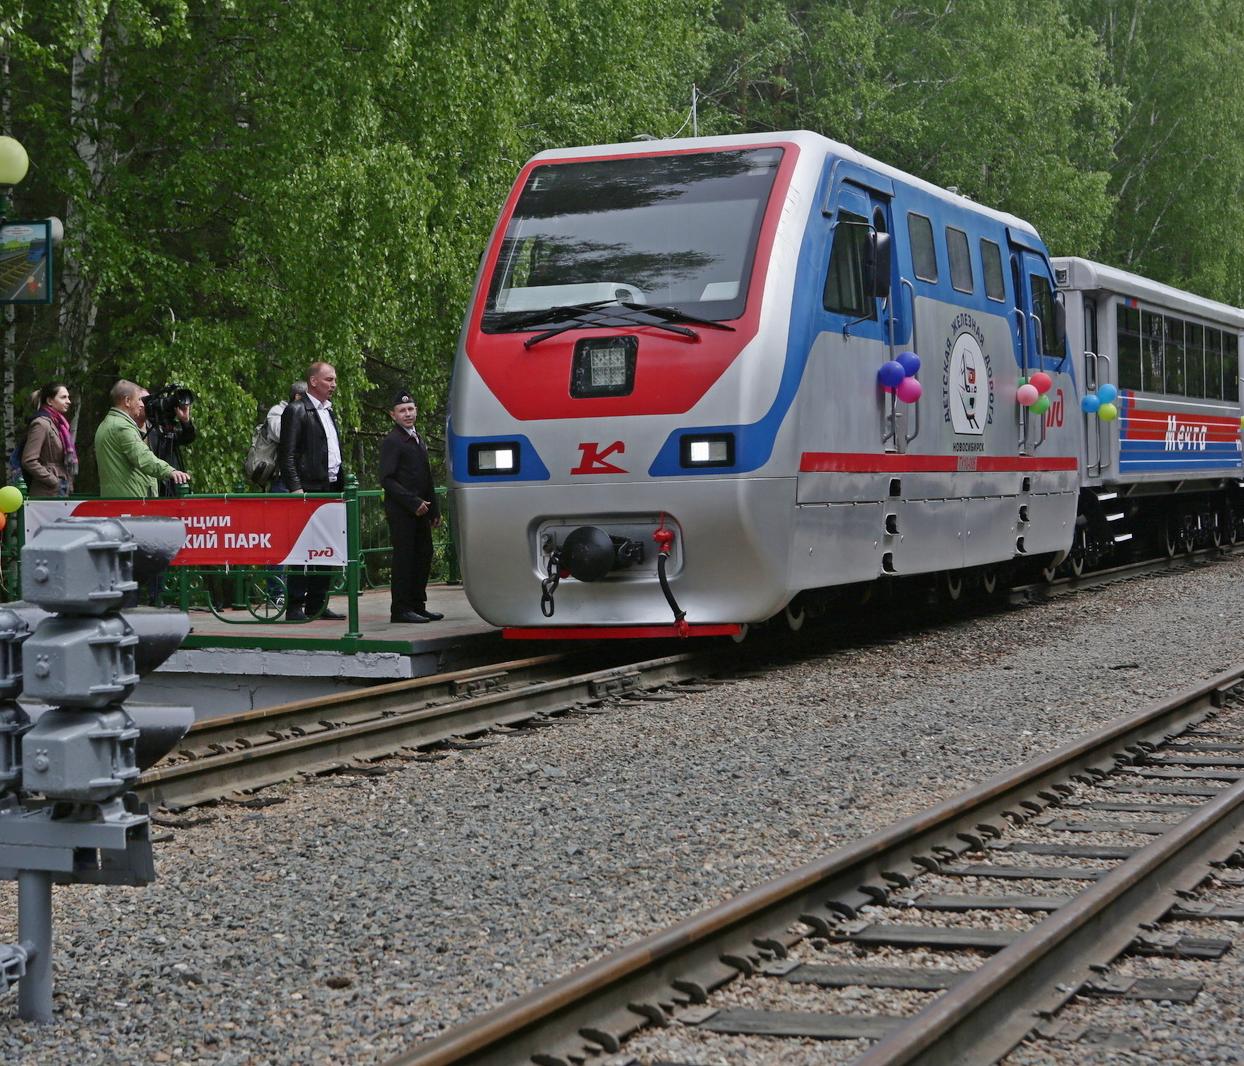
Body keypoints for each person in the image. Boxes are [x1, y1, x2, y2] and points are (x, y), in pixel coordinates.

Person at [278, 362, 344, 621]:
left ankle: (317, 604)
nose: (334, 384)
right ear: (313, 382)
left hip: (329, 487)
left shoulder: (329, 411)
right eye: (329, 379)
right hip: (306, 489)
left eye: (335, 379)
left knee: (327, 548)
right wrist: (296, 488)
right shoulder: (297, 410)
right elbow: (288, 454)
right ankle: (295, 606)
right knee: (303, 549)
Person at [379, 388, 442, 624]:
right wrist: (412, 502)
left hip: (422, 511)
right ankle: (401, 608)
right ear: (393, 415)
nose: (407, 413)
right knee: (405, 559)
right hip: (403, 511)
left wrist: (434, 509)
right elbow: (387, 478)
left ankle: (418, 603)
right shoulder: (393, 441)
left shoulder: (417, 437)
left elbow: (426, 476)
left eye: (410, 409)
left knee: (423, 556)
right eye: (402, 410)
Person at [95, 380, 190, 498]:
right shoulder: (122, 427)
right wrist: (169, 471)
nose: (142, 404)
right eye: (139, 399)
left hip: (120, 503)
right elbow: (143, 457)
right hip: (129, 506)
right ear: (127, 401)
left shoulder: (108, 423)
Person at [20, 382, 79, 497]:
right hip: (46, 492)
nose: (68, 401)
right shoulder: (41, 424)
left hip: (60, 489)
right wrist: (54, 481)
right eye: (63, 397)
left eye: (68, 397)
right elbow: (29, 461)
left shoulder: (60, 425)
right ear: (50, 401)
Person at [145, 390, 196, 497]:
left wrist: (185, 421)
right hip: (156, 486)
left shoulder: (167, 429)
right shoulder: (147, 430)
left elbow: (188, 438)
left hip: (172, 483)